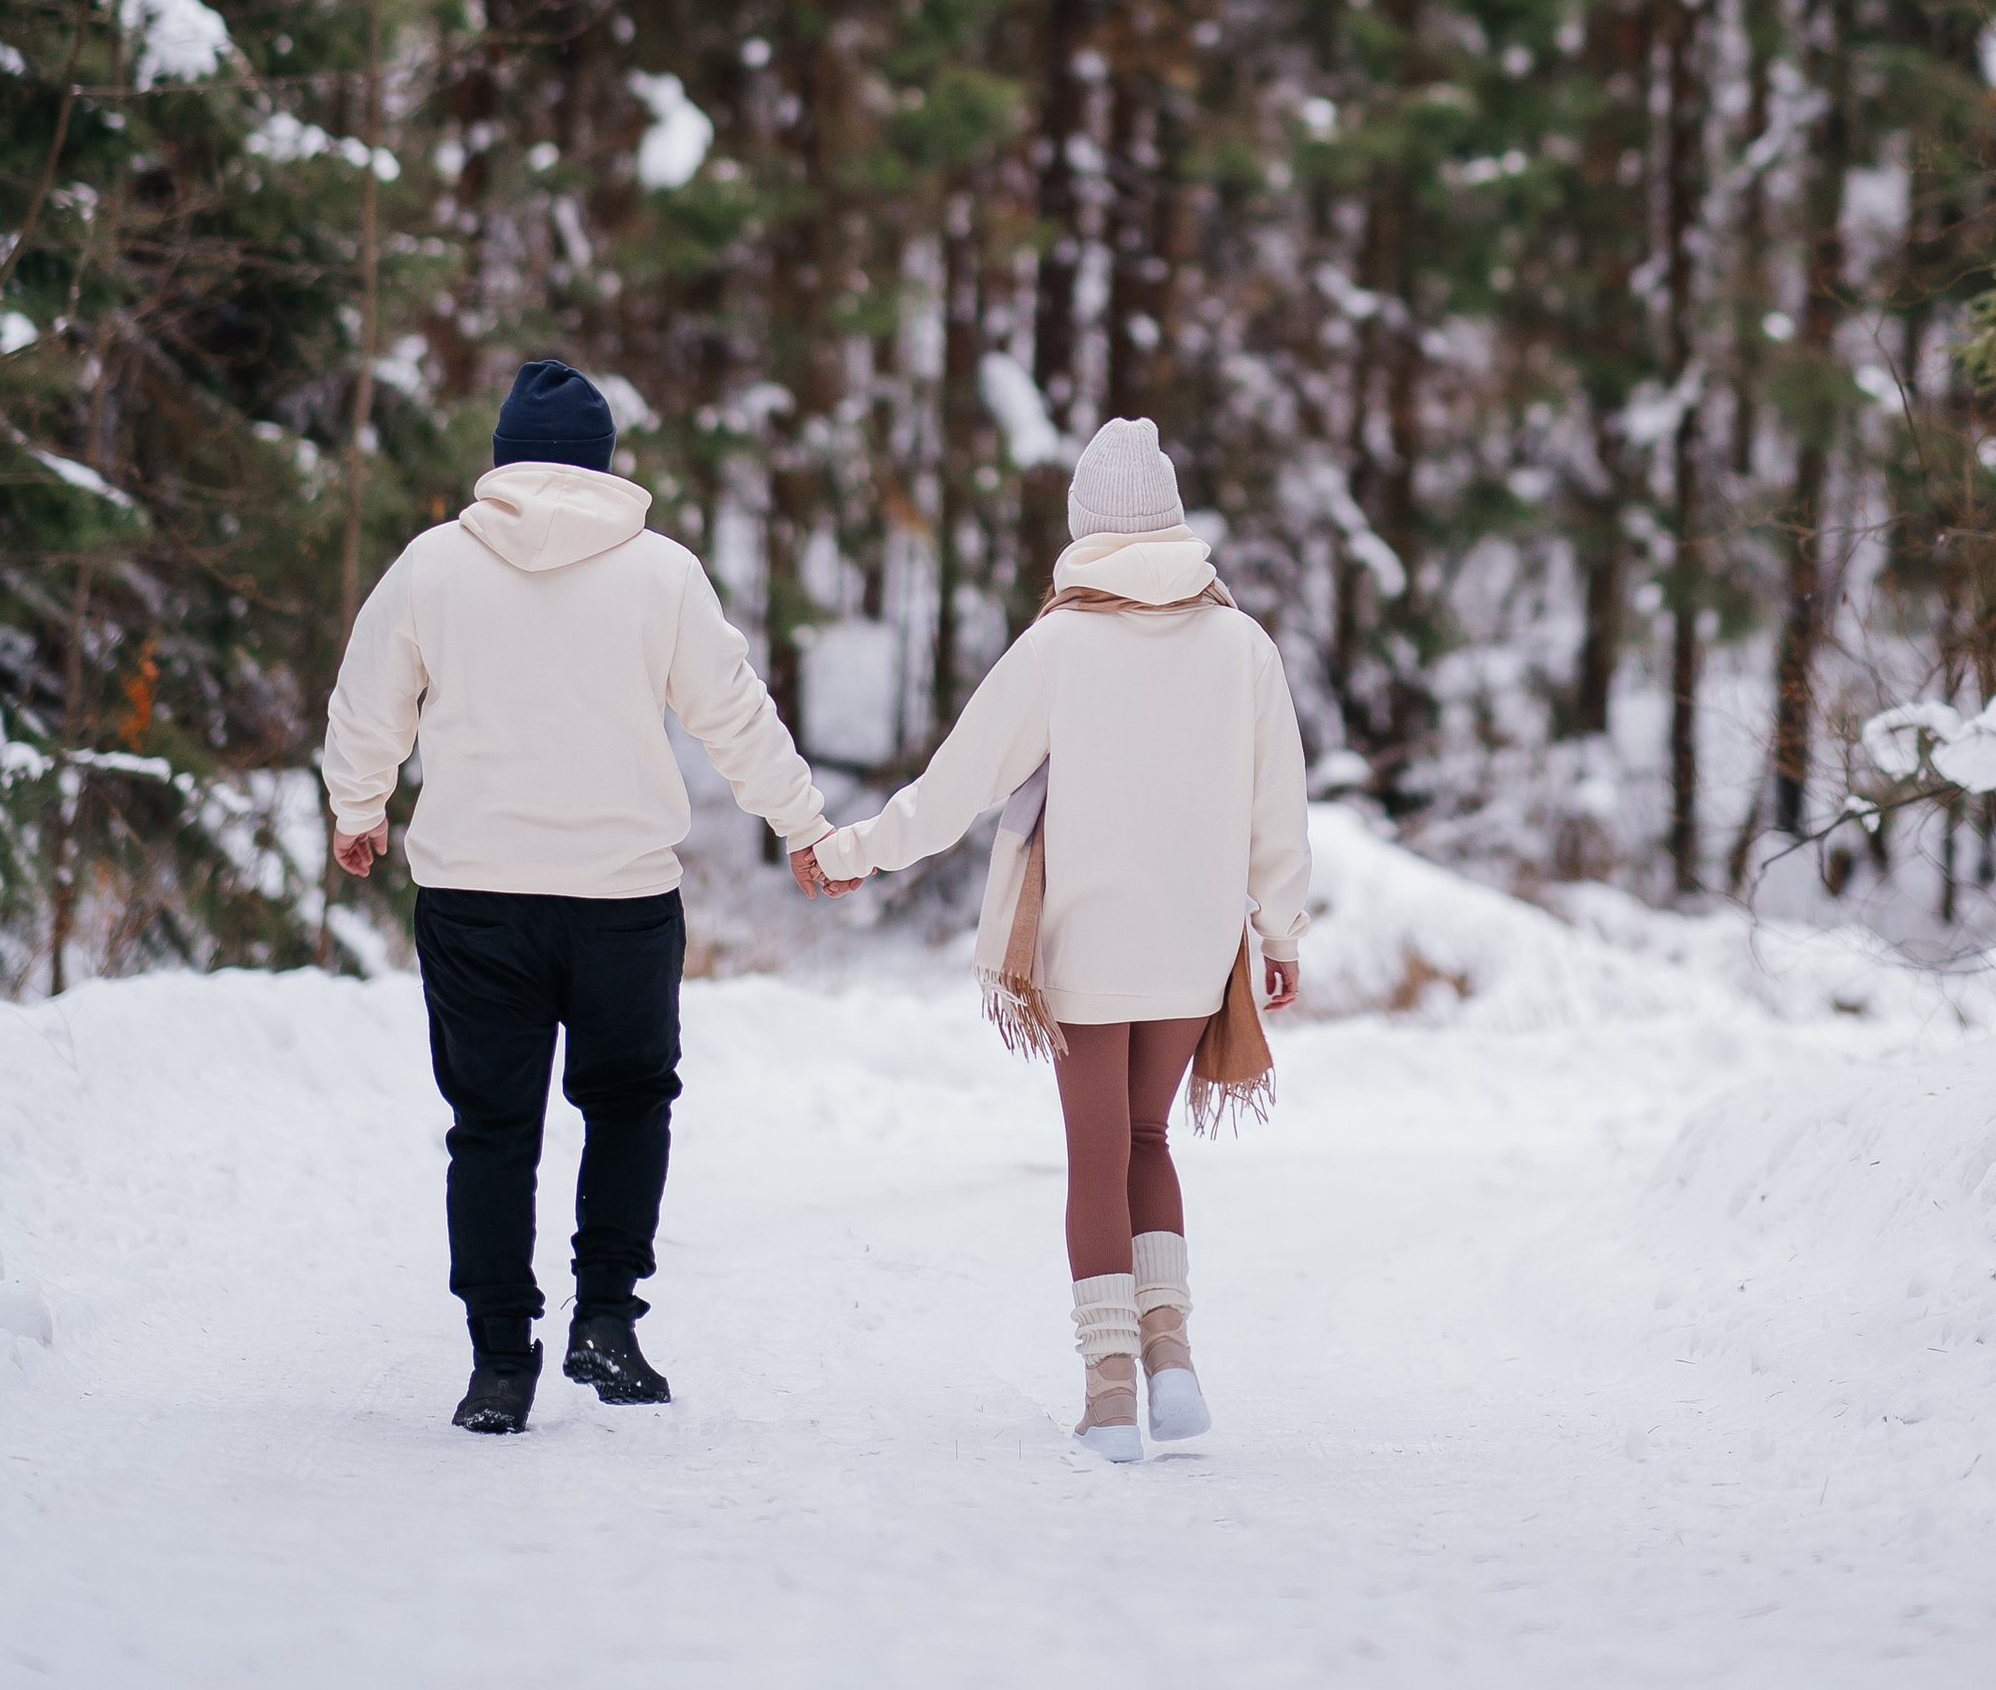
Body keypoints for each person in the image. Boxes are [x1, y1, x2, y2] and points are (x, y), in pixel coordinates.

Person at [321, 354, 850, 1435]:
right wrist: (802, 825)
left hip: (474, 899)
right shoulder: (661, 573)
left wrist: (359, 808)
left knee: (491, 1127)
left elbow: (366, 695)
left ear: (504, 461)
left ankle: (497, 1363)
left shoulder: (433, 566)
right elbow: (734, 715)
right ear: (605, 467)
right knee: (625, 1105)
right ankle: (605, 1319)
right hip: (620, 899)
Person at [813, 415, 1310, 1462]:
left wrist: (859, 848)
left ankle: (1108, 1392)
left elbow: (958, 784)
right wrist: (1280, 930)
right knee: (1147, 1141)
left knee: (1095, 1152)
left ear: (1086, 530)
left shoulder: (1059, 644)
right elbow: (1279, 807)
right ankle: (1172, 1359)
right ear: (1172, 525)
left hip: (1086, 941)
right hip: (1193, 944)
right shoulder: (1242, 644)